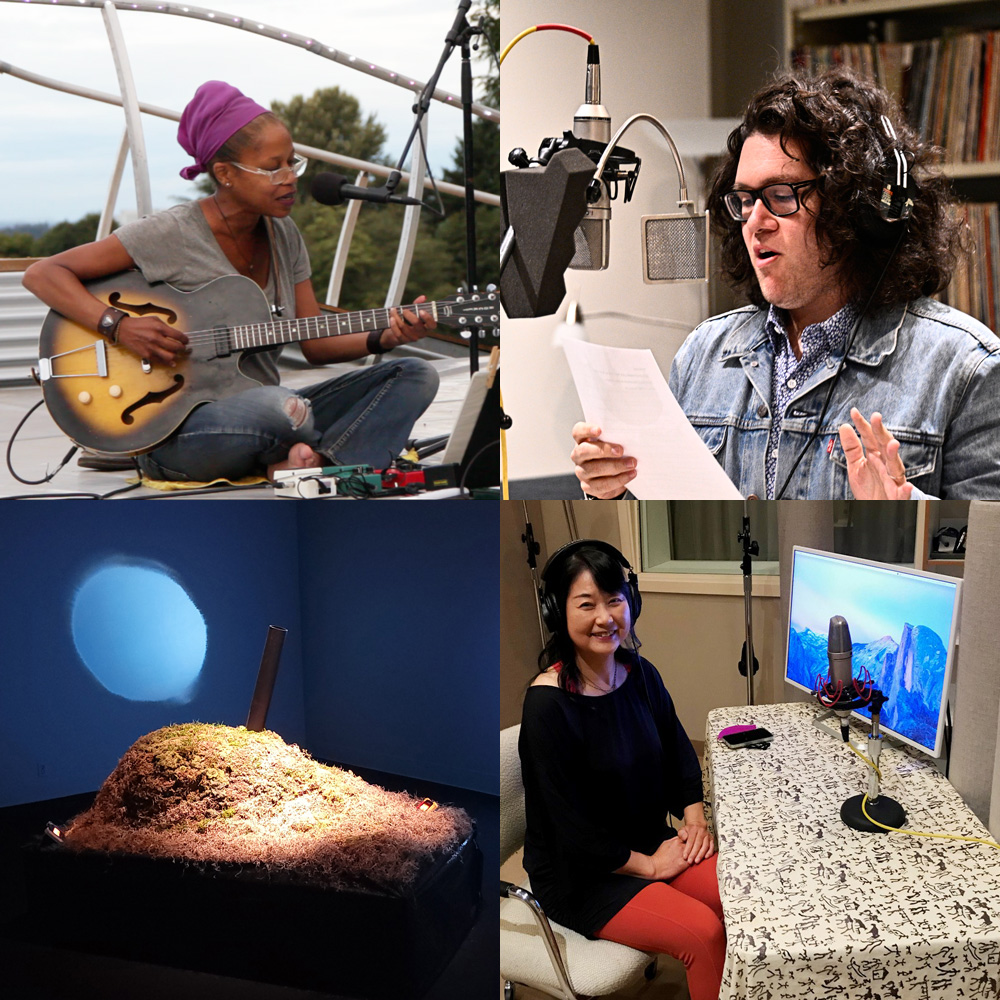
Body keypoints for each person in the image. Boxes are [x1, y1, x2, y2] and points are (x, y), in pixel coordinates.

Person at [571, 68, 1000, 499]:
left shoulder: (967, 371)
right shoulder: (703, 355)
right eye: (744, 200)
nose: (755, 221)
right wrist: (612, 491)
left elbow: (983, 555)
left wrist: (910, 516)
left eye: (780, 195)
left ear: (856, 207)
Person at [24, 80, 439, 483]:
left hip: (267, 411)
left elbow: (315, 344)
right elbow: (43, 274)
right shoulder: (172, 233)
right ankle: (310, 453)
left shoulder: (285, 235)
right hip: (177, 430)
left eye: (292, 163)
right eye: (272, 168)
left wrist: (388, 335)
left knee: (415, 375)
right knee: (284, 409)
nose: (290, 177)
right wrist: (119, 325)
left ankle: (319, 466)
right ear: (225, 173)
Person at [519, 540, 725, 1000]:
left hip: (644, 839)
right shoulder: (547, 706)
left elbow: (677, 752)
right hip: (583, 875)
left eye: (614, 600)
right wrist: (650, 866)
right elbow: (571, 831)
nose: (604, 617)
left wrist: (694, 821)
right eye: (586, 604)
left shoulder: (639, 673)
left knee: (740, 896)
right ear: (557, 612)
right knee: (703, 933)